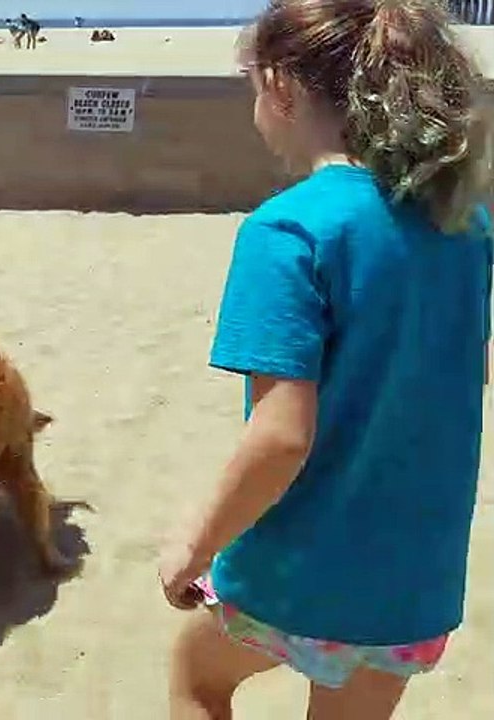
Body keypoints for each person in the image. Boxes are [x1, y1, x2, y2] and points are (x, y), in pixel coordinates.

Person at [158, 1, 492, 718]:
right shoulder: (465, 221)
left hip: (299, 574)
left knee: (197, 676)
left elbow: (281, 436)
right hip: (415, 583)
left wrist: (193, 543)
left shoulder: (288, 230)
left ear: (281, 87)